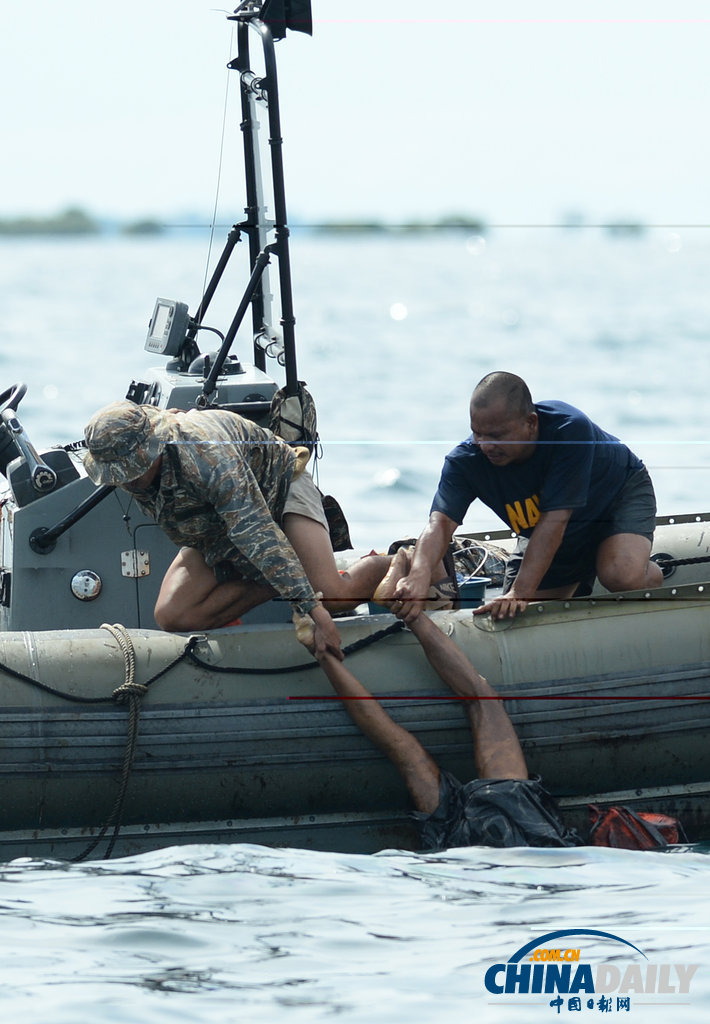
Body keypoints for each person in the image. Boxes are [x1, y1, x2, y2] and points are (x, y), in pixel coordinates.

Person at [295, 547, 580, 850]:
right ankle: (322, 651)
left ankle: (407, 612)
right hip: (468, 844)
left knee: (479, 700)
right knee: (404, 752)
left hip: (519, 831)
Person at [83, 400, 393, 658]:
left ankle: (400, 560)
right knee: (173, 614)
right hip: (215, 526)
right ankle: (284, 580)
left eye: (132, 470)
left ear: (154, 447)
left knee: (332, 598)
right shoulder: (139, 455)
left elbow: (257, 530)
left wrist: (314, 613)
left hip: (278, 490)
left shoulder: (208, 459)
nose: (126, 480)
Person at [391, 371, 663, 622]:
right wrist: (419, 574)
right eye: (477, 433)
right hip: (551, 528)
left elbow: (555, 521)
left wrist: (521, 591)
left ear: (531, 423)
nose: (486, 445)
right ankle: (585, 568)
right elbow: (439, 524)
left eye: (497, 435)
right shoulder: (465, 461)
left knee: (620, 575)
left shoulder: (569, 430)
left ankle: (649, 569)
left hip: (616, 497)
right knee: (519, 615)